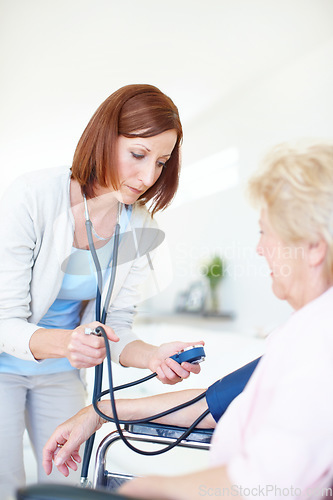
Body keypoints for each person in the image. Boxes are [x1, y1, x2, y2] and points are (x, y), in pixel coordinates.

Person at [43, 141, 333, 499]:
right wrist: (99, 412)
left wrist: (148, 488)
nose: (259, 249)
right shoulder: (303, 332)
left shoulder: (321, 345)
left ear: (315, 247)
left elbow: (266, 485)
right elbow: (211, 404)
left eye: (265, 232)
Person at [0, 84, 204, 498]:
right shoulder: (32, 196)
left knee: (61, 481)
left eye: (161, 162)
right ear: (105, 138)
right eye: (138, 154)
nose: (148, 177)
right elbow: (4, 320)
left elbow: (115, 330)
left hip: (59, 375)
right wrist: (69, 343)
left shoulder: (142, 226)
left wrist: (152, 355)